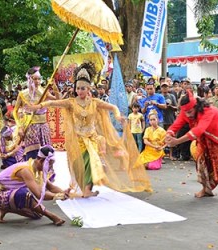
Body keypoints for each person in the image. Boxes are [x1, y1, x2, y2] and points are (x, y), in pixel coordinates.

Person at [27, 62, 152, 197]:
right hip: (77, 140)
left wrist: (118, 116)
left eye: (83, 88)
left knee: (93, 161)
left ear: (88, 89)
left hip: (92, 138)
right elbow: (52, 103)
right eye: (78, 88)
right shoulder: (71, 102)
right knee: (78, 165)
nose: (80, 91)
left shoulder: (95, 102)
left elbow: (112, 107)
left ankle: (87, 189)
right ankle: (84, 187)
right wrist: (38, 106)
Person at [165, 90, 218, 198]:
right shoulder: (186, 112)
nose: (187, 115)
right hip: (204, 138)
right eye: (186, 112)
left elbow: (198, 130)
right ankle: (206, 189)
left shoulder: (208, 111)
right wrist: (169, 134)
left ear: (195, 107)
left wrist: (177, 141)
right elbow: (176, 125)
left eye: (189, 112)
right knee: (201, 162)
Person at [0, 145, 68, 225]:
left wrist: (65, 193)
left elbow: (51, 187)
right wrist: (58, 196)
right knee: (25, 195)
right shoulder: (25, 170)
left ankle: (5, 209)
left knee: (38, 214)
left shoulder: (38, 169)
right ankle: (52, 216)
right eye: (49, 164)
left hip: (9, 194)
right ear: (40, 161)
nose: (50, 167)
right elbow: (39, 195)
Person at [13, 67, 59, 160]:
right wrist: (20, 127)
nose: (37, 81)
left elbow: (58, 99)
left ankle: (46, 173)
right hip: (30, 126)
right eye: (35, 79)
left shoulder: (44, 91)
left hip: (43, 126)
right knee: (32, 155)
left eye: (39, 78)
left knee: (46, 154)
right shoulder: (22, 94)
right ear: (29, 79)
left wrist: (54, 86)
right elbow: (15, 111)